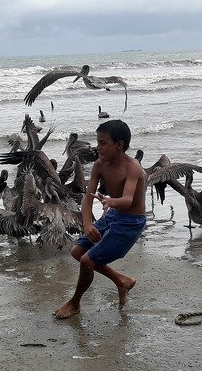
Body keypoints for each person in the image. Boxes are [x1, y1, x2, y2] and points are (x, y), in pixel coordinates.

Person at [53, 119, 146, 319]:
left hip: (131, 222)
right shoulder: (99, 165)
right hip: (114, 215)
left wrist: (111, 201)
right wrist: (87, 224)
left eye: (103, 143)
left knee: (87, 260)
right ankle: (121, 281)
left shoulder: (132, 167)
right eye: (97, 142)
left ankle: (75, 303)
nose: (98, 147)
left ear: (119, 145)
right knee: (77, 252)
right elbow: (87, 198)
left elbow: (128, 200)